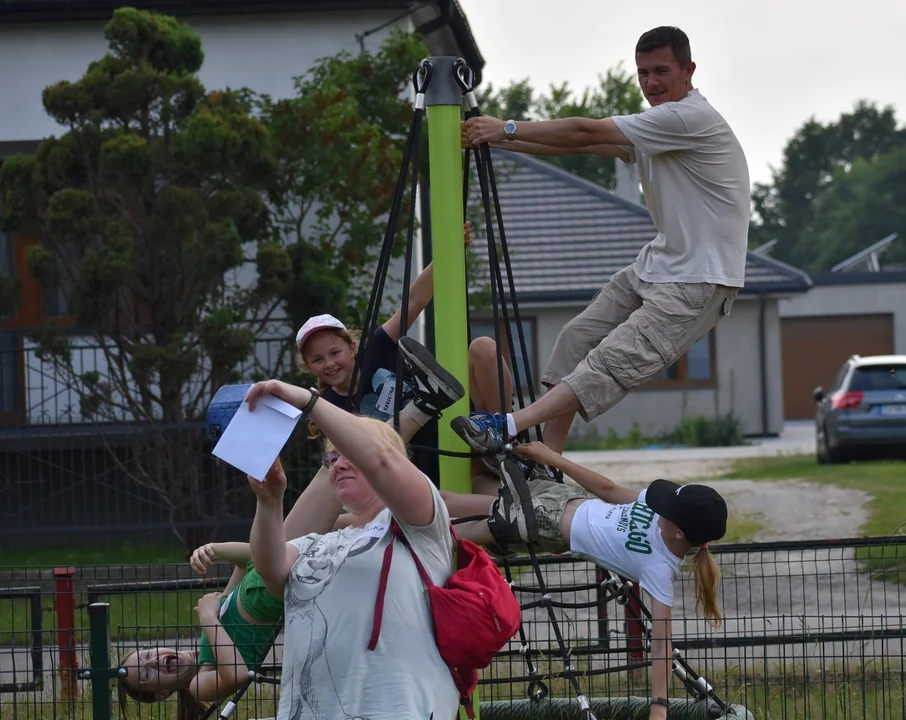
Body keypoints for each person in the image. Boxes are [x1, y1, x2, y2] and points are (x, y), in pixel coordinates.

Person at [453, 25, 750, 458]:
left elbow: (585, 132)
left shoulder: (688, 117)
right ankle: (548, 463)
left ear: (689, 70)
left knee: (604, 364)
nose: (651, 83)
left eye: (661, 71)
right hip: (658, 265)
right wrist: (497, 139)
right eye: (643, 73)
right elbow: (583, 147)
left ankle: (509, 427)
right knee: (575, 339)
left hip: (698, 281)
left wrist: (508, 126)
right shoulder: (659, 125)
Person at [443, 440, 727, 720]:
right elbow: (607, 489)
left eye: (668, 508)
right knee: (473, 486)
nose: (660, 505)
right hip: (562, 496)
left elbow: (662, 644)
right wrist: (552, 457)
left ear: (680, 533)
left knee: (449, 532)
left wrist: (659, 706)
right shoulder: (657, 512)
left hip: (542, 523)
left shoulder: (660, 569)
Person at [243, 378, 460, 720]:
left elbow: (380, 462)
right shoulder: (320, 541)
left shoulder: (418, 525)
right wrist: (269, 502)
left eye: (349, 454)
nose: (338, 464)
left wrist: (307, 400)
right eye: (332, 458)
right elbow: (269, 567)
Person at [296, 219, 518, 492]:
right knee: (492, 502)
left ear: (352, 348)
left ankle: (503, 440)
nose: (329, 363)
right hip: (419, 477)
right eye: (318, 360)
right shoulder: (329, 407)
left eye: (334, 352)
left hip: (464, 440)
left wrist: (449, 250)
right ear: (308, 366)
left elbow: (413, 300)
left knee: (483, 347)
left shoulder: (374, 350)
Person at [117, 457, 346, 720]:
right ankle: (387, 428)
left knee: (338, 476)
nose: (152, 661)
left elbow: (247, 560)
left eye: (146, 655)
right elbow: (236, 673)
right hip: (273, 581)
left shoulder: (208, 639)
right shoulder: (199, 685)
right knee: (337, 471)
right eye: (146, 674)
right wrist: (207, 617)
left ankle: (385, 430)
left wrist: (213, 549)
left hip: (270, 564)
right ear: (162, 694)